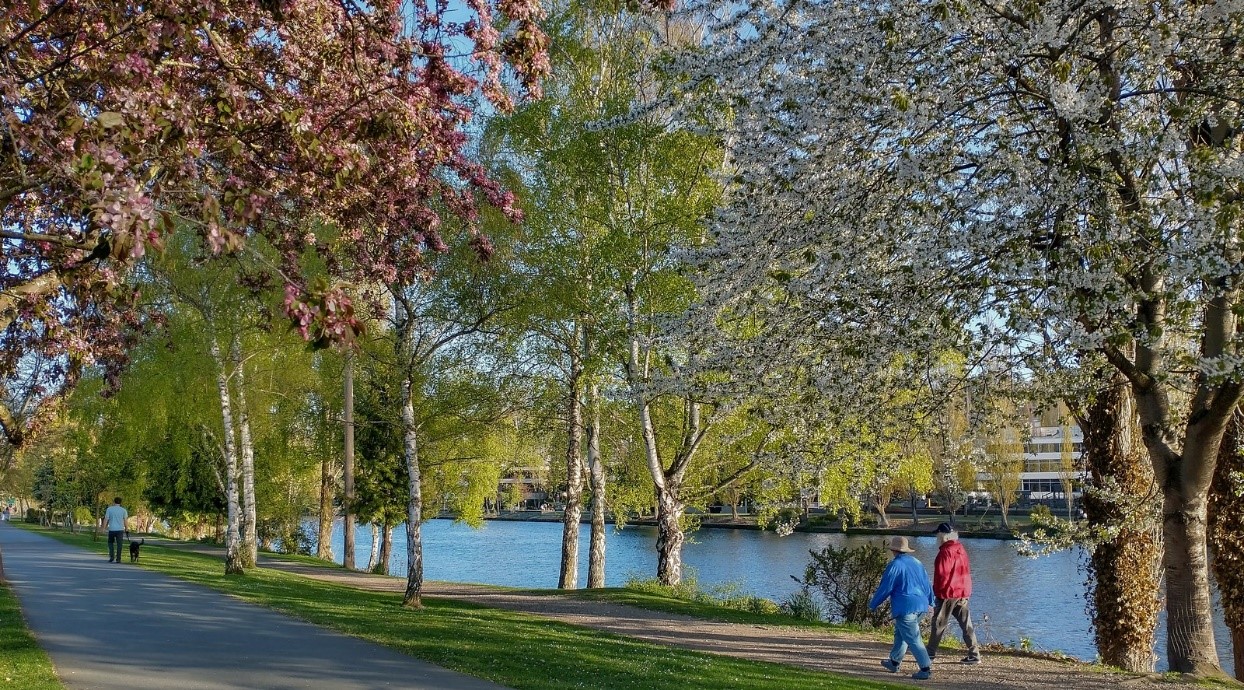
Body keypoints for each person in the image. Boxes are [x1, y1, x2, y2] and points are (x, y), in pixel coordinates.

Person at [869, 535, 935, 681]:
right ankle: (894, 662)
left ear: (893, 550)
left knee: (913, 638)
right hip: (921, 605)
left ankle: (925, 668)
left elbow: (885, 587)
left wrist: (873, 604)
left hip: (906, 607)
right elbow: (927, 584)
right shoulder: (917, 563)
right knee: (901, 634)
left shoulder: (895, 565)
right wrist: (931, 601)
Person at [928, 522, 982, 664]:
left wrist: (936, 594)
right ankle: (974, 654)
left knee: (938, 624)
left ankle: (929, 654)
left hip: (948, 593)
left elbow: (941, 575)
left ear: (942, 536)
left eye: (937, 534)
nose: (936, 537)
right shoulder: (960, 549)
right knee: (966, 624)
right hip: (962, 592)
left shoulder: (945, 552)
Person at [102, 497, 129, 563]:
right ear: (120, 502)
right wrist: (126, 528)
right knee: (119, 544)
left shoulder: (109, 509)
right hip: (120, 530)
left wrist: (103, 528)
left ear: (114, 501)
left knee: (110, 543)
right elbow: (125, 520)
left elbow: (106, 519)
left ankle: (112, 556)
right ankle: (118, 558)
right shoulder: (123, 510)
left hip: (112, 529)